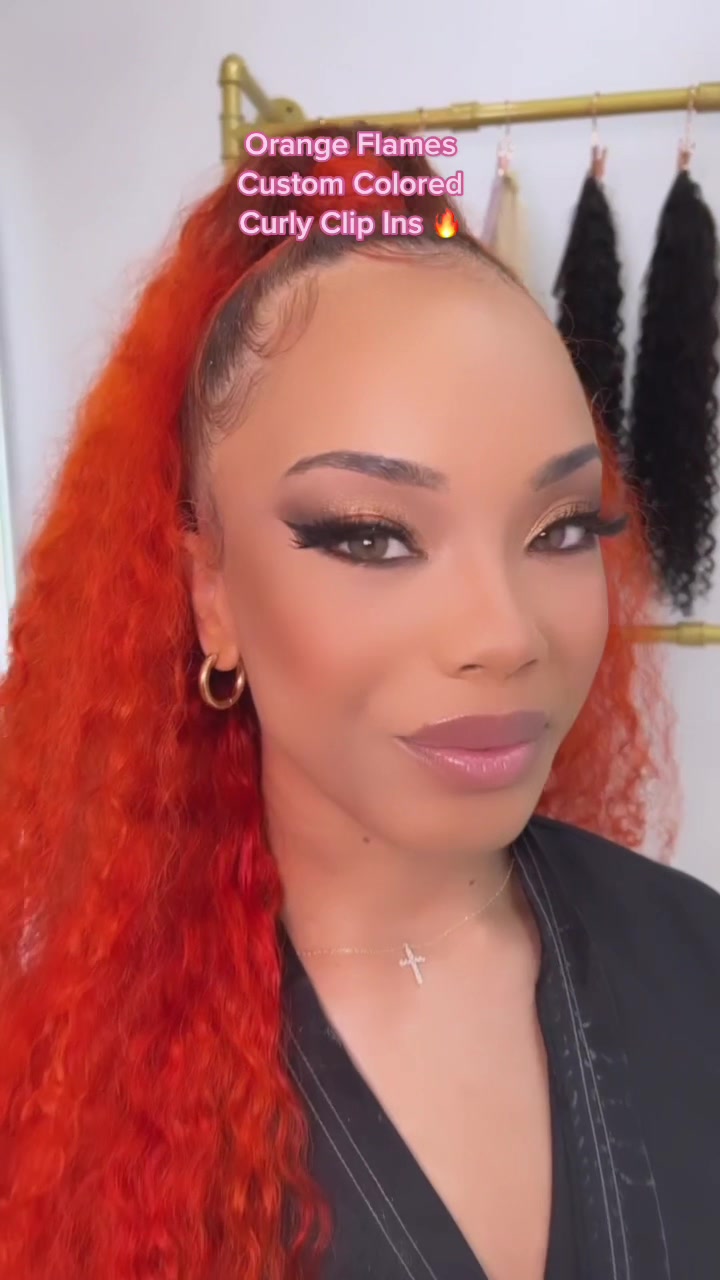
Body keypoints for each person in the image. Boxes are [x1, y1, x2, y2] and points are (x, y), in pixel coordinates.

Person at [0, 124, 717, 1280]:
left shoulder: (696, 967)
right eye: (374, 535)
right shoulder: (62, 1098)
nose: (505, 634)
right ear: (210, 591)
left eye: (561, 528)